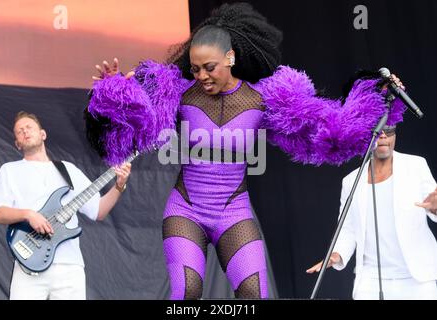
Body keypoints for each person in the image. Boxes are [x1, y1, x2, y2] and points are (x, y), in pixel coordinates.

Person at [84, 3, 405, 299]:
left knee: (254, 295)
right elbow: (130, 130)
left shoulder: (266, 98)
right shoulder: (178, 93)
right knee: (187, 295)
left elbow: (331, 130)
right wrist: (115, 94)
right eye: (195, 68)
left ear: (231, 58)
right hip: (185, 211)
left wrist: (377, 97)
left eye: (209, 67)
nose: (201, 76)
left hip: (234, 212)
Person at [0, 111, 132, 300]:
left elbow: (98, 211)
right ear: (17, 143)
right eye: (19, 131)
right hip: (28, 265)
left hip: (69, 266)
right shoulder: (9, 171)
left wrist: (119, 186)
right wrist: (28, 214)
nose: (24, 131)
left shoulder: (68, 170)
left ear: (43, 134)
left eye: (29, 127)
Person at [307, 125, 437, 300]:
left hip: (416, 280)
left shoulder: (415, 165)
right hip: (370, 281)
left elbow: (432, 204)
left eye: (389, 130)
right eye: (378, 130)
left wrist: (435, 208)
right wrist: (336, 255)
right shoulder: (351, 181)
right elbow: (347, 228)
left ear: (395, 135)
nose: (383, 135)